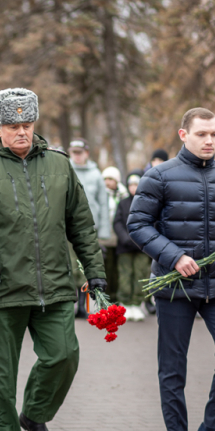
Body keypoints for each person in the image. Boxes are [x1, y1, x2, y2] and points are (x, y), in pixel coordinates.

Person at [0, 88, 106, 431]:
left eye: (27, 123)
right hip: (2, 289)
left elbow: (82, 225)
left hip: (54, 285)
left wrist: (95, 273)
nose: (22, 131)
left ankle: (35, 415)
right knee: (1, 371)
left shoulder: (59, 165)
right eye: (12, 125)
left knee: (64, 355)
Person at [128, 107, 215, 431]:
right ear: (184, 135)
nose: (210, 140)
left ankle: (211, 428)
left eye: (214, 134)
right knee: (173, 366)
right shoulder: (160, 176)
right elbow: (138, 224)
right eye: (202, 134)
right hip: (176, 289)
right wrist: (173, 256)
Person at [68, 138, 110, 317]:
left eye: (80, 153)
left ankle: (84, 307)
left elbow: (103, 203)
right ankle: (73, 304)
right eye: (74, 153)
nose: (77, 156)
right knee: (71, 266)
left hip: (90, 229)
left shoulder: (96, 175)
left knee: (87, 267)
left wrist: (104, 233)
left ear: (86, 153)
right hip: (68, 230)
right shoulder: (66, 171)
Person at [113, 171, 150, 321]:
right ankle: (125, 303)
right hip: (125, 247)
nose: (133, 187)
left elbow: (151, 223)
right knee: (125, 275)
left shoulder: (147, 203)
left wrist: (140, 239)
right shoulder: (122, 203)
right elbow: (117, 222)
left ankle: (137, 303)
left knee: (140, 275)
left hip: (141, 248)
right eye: (130, 184)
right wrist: (125, 238)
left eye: (136, 184)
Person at [101, 166, 128, 297]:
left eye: (111, 179)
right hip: (103, 239)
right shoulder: (100, 194)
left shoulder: (124, 195)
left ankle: (116, 297)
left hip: (119, 239)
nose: (107, 182)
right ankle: (105, 297)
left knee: (118, 271)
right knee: (106, 270)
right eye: (105, 179)